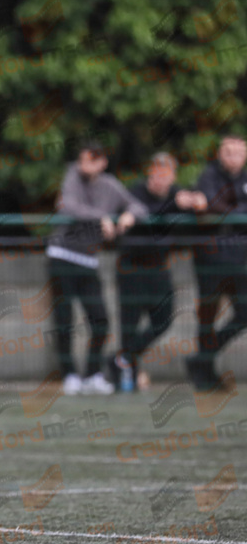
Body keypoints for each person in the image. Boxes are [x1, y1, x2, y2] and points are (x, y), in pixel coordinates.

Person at [48, 141, 147, 395]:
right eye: (82, 160)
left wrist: (129, 215)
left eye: (90, 160)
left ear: (102, 162)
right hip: (62, 256)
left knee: (101, 320)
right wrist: (100, 217)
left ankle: (92, 372)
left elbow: (139, 206)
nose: (84, 165)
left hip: (88, 260)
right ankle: (70, 374)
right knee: (64, 319)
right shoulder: (72, 176)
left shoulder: (110, 185)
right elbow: (66, 206)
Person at [111, 152, 200, 391]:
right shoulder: (135, 192)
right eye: (156, 171)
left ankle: (121, 358)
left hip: (159, 266)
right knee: (128, 324)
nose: (160, 177)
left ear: (172, 176)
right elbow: (145, 213)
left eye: (166, 173)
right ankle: (126, 376)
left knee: (163, 319)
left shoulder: (176, 194)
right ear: (150, 172)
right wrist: (175, 205)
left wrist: (194, 203)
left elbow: (189, 217)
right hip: (131, 266)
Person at [186, 133, 247, 390]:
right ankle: (205, 374)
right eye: (228, 151)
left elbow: (220, 208)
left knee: (244, 313)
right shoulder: (209, 175)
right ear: (220, 155)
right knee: (208, 315)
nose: (233, 156)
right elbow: (211, 205)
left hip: (240, 258)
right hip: (211, 257)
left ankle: (202, 359)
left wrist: (228, 210)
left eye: (238, 151)